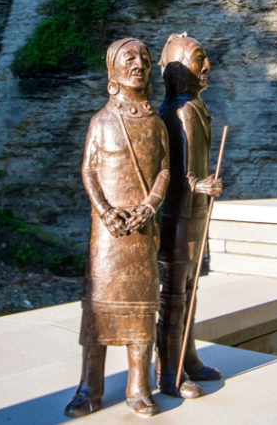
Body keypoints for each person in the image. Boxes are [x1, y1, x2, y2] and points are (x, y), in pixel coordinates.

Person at [65, 38, 170, 419]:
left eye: (144, 58)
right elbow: (89, 170)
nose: (139, 65)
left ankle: (139, 387)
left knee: (142, 309)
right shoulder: (102, 120)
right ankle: (90, 387)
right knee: (98, 309)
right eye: (129, 59)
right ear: (113, 71)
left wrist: (149, 206)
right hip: (107, 233)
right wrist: (106, 210)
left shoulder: (156, 123)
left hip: (141, 229)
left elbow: (163, 169)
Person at [155, 33, 223, 399]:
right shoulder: (178, 112)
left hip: (192, 216)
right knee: (174, 295)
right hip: (178, 218)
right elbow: (174, 173)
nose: (207, 66)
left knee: (190, 290)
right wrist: (200, 186)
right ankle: (169, 372)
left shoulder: (194, 109)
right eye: (199, 59)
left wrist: (201, 186)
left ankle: (189, 357)